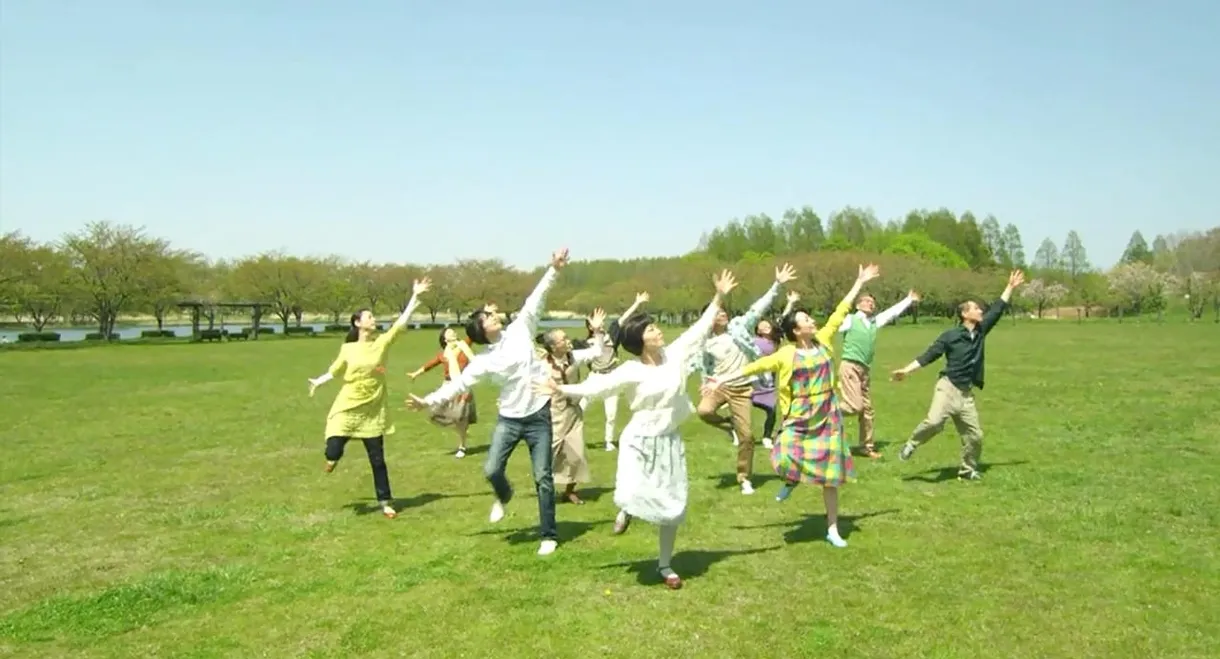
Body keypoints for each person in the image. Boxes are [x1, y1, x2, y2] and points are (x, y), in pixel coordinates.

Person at [535, 269, 739, 589]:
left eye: (657, 327)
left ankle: (665, 565)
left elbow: (700, 329)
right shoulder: (631, 370)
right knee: (629, 494)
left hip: (668, 441)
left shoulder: (676, 355)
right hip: (638, 440)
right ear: (639, 339)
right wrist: (562, 391)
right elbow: (596, 387)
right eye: (652, 329)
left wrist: (719, 296)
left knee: (672, 505)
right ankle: (626, 510)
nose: (659, 332)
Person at [406, 249, 570, 557]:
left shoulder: (521, 329)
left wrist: (554, 269)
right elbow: (458, 384)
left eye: (493, 314)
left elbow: (536, 297)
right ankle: (503, 495)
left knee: (543, 479)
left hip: (538, 416)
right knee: (492, 469)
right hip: (509, 418)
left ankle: (548, 534)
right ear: (482, 329)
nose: (495, 315)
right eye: (488, 316)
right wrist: (427, 401)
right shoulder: (484, 361)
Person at [705, 264, 880, 548]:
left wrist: (859, 281)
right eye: (806, 319)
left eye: (810, 318)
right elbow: (753, 367)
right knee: (782, 456)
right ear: (797, 331)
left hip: (827, 417)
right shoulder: (786, 354)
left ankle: (832, 528)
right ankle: (791, 479)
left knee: (831, 476)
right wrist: (719, 381)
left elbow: (841, 310)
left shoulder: (823, 342)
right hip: (798, 417)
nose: (812, 321)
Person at [307, 278, 431, 519]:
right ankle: (332, 459)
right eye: (369, 317)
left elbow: (400, 323)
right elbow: (335, 371)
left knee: (377, 459)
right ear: (358, 323)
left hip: (373, 407)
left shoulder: (381, 343)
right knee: (333, 448)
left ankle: (385, 502)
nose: (374, 320)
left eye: (373, 317)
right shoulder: (348, 349)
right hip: (348, 403)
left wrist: (415, 297)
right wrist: (318, 381)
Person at [890, 270, 1025, 481]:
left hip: (966, 393)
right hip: (947, 387)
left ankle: (967, 469)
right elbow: (929, 356)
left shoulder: (981, 330)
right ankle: (911, 444)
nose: (981, 311)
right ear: (965, 314)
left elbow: (998, 308)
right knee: (934, 422)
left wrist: (1010, 287)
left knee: (975, 436)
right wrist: (906, 371)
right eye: (976, 308)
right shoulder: (950, 336)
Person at [694, 263, 798, 495]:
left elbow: (757, 309)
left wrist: (777, 285)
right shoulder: (705, 342)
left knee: (748, 437)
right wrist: (705, 383)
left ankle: (744, 478)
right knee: (703, 412)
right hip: (718, 387)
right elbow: (704, 367)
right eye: (716, 312)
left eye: (723, 312)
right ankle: (729, 424)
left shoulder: (739, 327)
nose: (722, 314)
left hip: (741, 389)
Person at [534, 307, 612, 505]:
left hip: (574, 413)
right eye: (563, 339)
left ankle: (569, 490)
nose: (568, 341)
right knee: (549, 455)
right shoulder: (542, 364)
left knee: (576, 454)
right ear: (553, 346)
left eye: (566, 338)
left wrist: (598, 331)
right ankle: (544, 489)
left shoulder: (574, 357)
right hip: (553, 413)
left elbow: (597, 352)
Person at [835, 290, 920, 458]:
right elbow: (833, 326)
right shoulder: (850, 320)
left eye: (872, 302)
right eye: (866, 301)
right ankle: (826, 410)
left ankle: (866, 446)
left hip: (864, 369)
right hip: (850, 366)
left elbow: (892, 312)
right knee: (854, 405)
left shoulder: (874, 322)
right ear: (858, 305)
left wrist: (909, 299)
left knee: (867, 410)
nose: (871, 304)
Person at [579, 291, 650, 452]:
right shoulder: (585, 343)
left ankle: (609, 441)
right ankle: (573, 438)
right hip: (594, 378)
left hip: (612, 377)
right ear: (589, 326)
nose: (600, 324)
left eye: (602, 321)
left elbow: (623, 319)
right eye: (596, 323)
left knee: (611, 414)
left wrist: (637, 303)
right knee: (580, 409)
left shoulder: (611, 335)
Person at [407, 327, 478, 458]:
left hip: (463, 386)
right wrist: (415, 374)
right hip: (448, 386)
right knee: (435, 413)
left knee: (460, 416)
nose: (453, 332)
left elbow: (473, 332)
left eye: (453, 331)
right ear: (445, 339)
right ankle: (461, 430)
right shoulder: (443, 354)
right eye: (449, 332)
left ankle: (462, 446)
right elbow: (429, 365)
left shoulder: (464, 345)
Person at [751, 290, 801, 451]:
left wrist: (791, 302)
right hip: (753, 381)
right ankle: (736, 428)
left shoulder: (775, 340)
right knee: (743, 405)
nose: (764, 326)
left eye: (767, 325)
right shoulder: (753, 342)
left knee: (771, 411)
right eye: (761, 325)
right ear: (757, 330)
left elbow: (782, 318)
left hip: (769, 384)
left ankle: (767, 436)